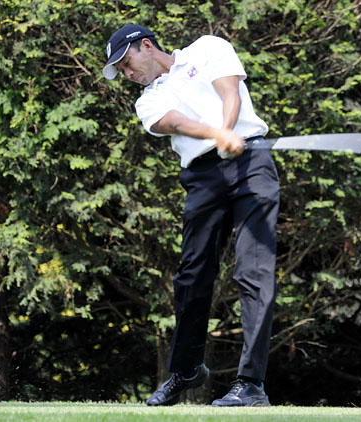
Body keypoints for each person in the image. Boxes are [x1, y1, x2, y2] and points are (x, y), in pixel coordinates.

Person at [102, 24, 279, 407]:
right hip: (203, 178)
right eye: (122, 71)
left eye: (127, 63)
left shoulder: (207, 48)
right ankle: (185, 371)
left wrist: (228, 131)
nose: (128, 74)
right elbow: (175, 124)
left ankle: (250, 384)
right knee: (192, 276)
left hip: (252, 164)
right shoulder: (147, 102)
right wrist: (217, 135)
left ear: (146, 46)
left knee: (254, 272)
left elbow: (229, 90)